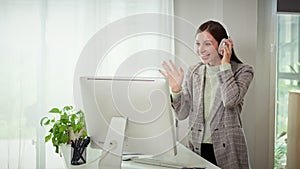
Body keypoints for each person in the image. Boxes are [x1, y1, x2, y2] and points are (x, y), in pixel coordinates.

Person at [159, 20, 254, 169]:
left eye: (207, 44)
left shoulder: (243, 71)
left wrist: (225, 64)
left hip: (228, 149)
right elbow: (182, 114)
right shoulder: (194, 72)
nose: (200, 50)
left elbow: (230, 101)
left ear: (223, 44)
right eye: (198, 44)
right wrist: (176, 91)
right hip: (197, 148)